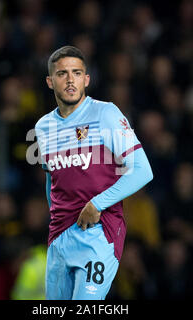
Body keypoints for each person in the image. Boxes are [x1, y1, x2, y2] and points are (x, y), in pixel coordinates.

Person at [34, 46, 153, 300]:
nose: (69, 80)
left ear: (86, 79)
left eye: (76, 73)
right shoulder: (43, 127)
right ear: (49, 81)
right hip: (59, 236)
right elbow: (51, 179)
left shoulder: (105, 113)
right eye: (62, 73)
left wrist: (97, 203)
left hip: (99, 232)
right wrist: (54, 220)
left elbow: (143, 170)